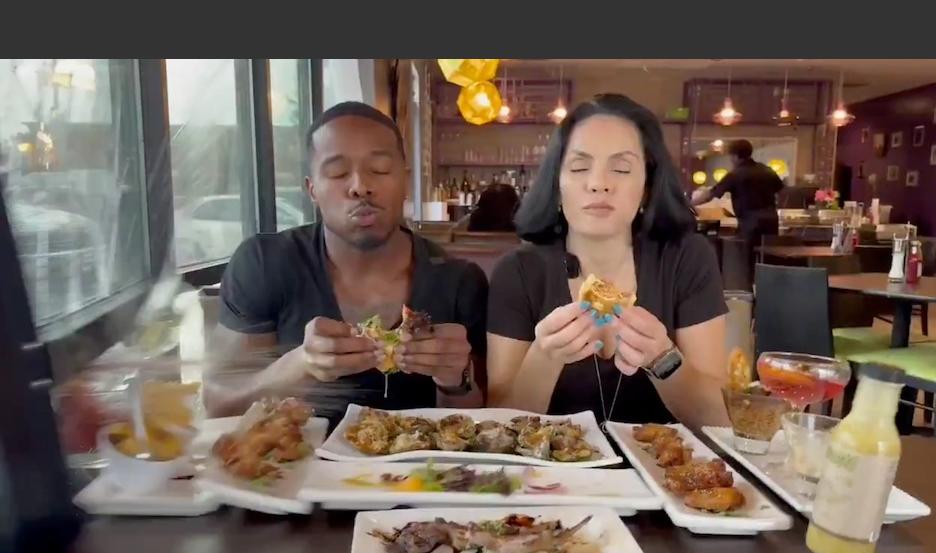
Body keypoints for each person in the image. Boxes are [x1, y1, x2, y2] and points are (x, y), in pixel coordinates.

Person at [204, 101, 488, 424]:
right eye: (338, 173)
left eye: (380, 169)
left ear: (405, 180)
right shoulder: (264, 263)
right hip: (295, 470)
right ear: (312, 190)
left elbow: (481, 422)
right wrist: (299, 365)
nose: (360, 186)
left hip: (414, 473)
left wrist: (455, 379)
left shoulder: (459, 281)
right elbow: (218, 404)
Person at [486, 93, 729, 428]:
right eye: (580, 167)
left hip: (664, 476)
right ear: (558, 184)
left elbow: (719, 419)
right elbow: (498, 423)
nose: (599, 183)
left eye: (621, 168)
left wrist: (663, 359)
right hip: (551, 477)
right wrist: (544, 359)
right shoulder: (518, 272)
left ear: (647, 186)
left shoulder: (686, 258)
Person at [691, 139, 783, 270]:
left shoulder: (735, 174)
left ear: (734, 156)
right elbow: (780, 189)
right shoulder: (766, 170)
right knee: (770, 259)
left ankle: (751, 287)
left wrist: (689, 204)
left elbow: (711, 195)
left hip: (750, 222)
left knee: (748, 261)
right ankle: (768, 286)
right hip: (772, 220)